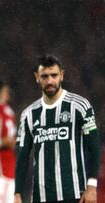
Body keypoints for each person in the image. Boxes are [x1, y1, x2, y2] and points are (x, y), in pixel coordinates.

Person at [14, 55, 100, 203]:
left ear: (62, 75)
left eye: (54, 75)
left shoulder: (79, 106)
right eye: (44, 76)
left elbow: (94, 148)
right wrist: (17, 193)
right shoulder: (28, 114)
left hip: (74, 194)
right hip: (41, 196)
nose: (49, 81)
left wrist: (92, 186)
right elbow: (22, 157)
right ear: (37, 77)